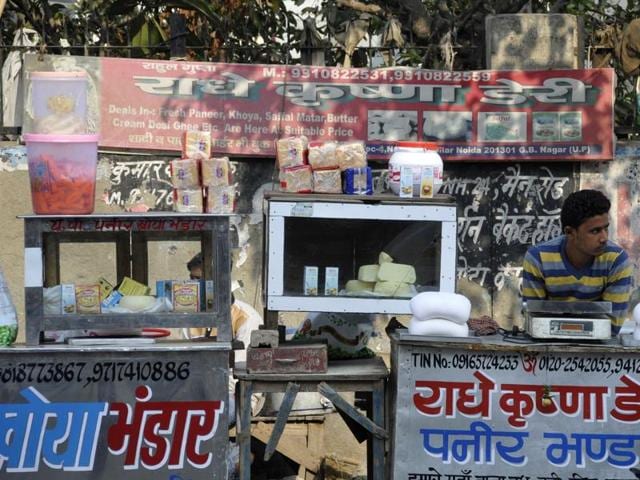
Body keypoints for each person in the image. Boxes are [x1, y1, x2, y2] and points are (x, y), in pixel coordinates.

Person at [185, 252, 298, 480]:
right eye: (192, 280)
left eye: (200, 281)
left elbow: (242, 373)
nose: (194, 286)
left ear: (220, 282)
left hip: (236, 393)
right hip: (200, 392)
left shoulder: (245, 317)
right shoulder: (191, 317)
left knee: (203, 420)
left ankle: (239, 464)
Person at [522, 189, 633, 335]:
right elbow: (534, 321)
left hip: (598, 352)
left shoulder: (617, 261)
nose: (604, 237)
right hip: (547, 350)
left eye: (606, 228)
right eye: (595, 231)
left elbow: (611, 327)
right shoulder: (538, 259)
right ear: (570, 232)